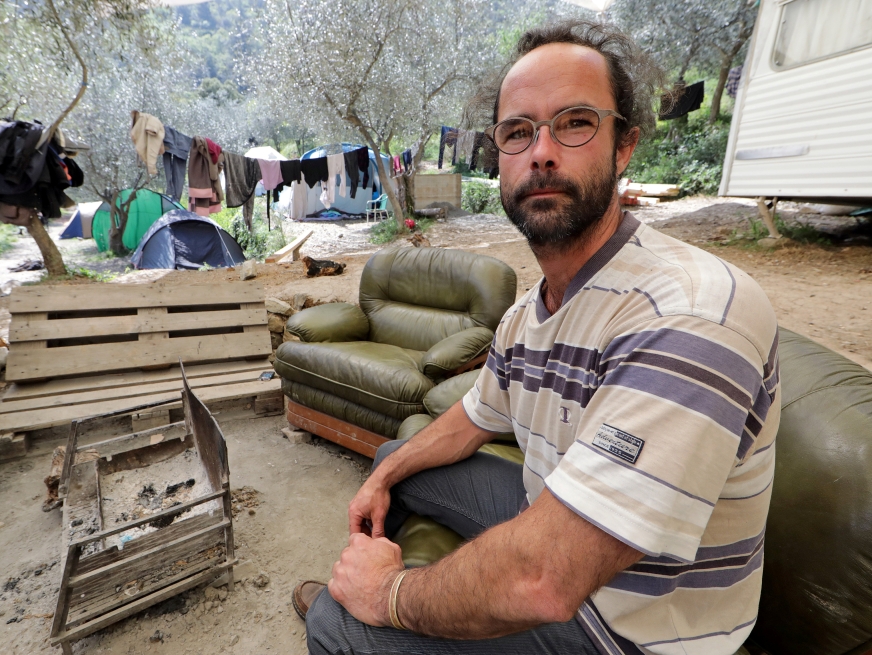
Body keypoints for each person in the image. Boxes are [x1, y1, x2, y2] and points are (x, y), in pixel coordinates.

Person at [294, 19, 780, 655]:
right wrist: (380, 479)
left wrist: (387, 595)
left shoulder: (689, 311)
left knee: (337, 625)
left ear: (624, 145)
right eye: (518, 132)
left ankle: (355, 613)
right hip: (553, 516)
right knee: (396, 460)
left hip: (632, 628)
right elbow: (473, 416)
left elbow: (545, 580)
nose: (541, 152)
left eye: (575, 123)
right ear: (498, 156)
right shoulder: (528, 314)